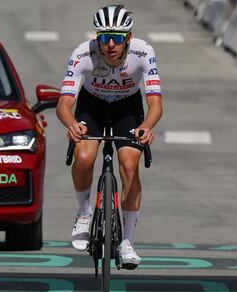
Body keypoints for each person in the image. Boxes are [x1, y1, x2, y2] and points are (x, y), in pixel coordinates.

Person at [56, 4, 163, 269]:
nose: (110, 44)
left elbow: (156, 103)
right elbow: (64, 104)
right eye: (104, 37)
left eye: (117, 37)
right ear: (97, 39)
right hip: (91, 106)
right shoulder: (83, 54)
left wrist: (147, 127)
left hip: (127, 107)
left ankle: (127, 241)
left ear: (128, 38)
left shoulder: (143, 51)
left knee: (129, 165)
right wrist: (71, 124)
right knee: (83, 157)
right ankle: (83, 213)